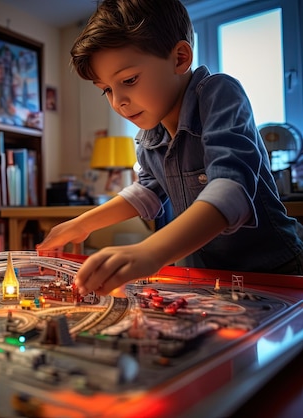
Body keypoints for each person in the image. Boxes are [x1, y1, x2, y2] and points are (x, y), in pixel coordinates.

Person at [37, 0, 303, 296]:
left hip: (277, 269)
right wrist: (83, 223)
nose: (117, 101)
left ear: (179, 58)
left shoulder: (219, 94)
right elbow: (146, 194)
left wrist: (151, 251)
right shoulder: (148, 135)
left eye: (129, 80)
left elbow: (231, 189)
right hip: (214, 275)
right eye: (107, 90)